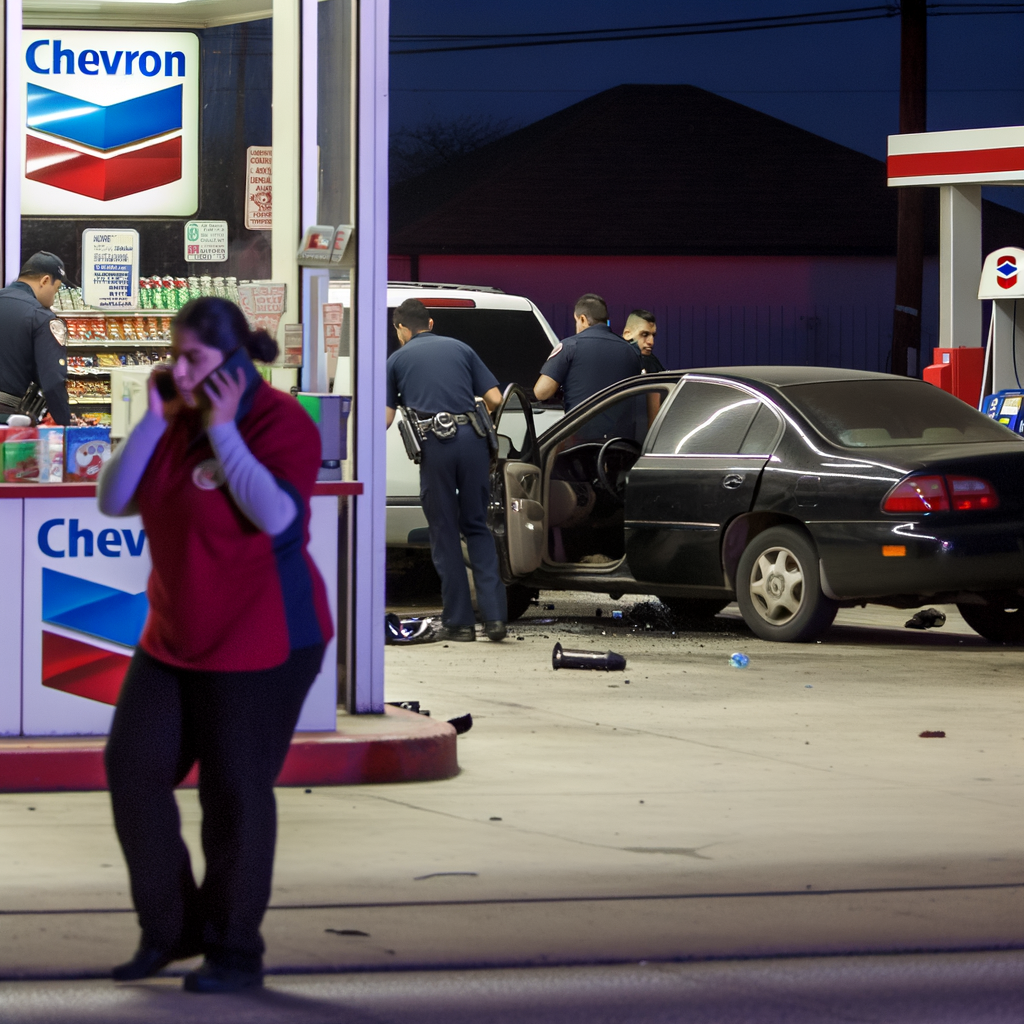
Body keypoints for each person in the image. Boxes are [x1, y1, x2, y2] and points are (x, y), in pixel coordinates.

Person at [98, 297, 333, 994]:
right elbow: (115, 500)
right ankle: (169, 929)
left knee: (233, 791)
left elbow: (277, 514)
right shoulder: (176, 417)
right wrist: (152, 419)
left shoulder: (279, 421)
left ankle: (234, 951)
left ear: (234, 360)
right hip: (176, 633)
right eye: (175, 355)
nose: (180, 369)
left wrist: (225, 433)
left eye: (194, 358)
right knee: (133, 769)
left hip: (265, 636)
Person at [386, 298, 507, 643]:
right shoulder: (462, 349)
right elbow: (496, 399)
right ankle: (496, 619)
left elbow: (386, 418)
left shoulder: (397, 359)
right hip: (473, 442)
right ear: (431, 323)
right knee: (477, 526)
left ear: (401, 329)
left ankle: (460, 623)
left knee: (443, 530)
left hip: (434, 445)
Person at [533, 293, 641, 412]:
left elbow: (541, 392)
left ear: (583, 319)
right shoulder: (631, 351)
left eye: (577, 321)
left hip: (581, 428)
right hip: (623, 430)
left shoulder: (569, 347)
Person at [0, 251, 73, 424]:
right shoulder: (40, 317)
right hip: (5, 416)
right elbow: (53, 381)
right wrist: (66, 425)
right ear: (45, 281)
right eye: (55, 290)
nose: (53, 299)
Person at [622, 308, 666, 374]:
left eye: (653, 335)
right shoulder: (618, 360)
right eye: (644, 335)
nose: (651, 342)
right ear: (627, 334)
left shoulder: (652, 360)